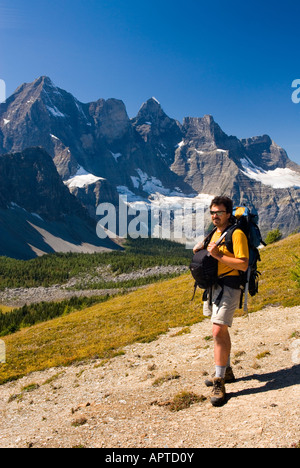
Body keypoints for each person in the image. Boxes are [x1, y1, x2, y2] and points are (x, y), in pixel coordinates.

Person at [193, 196, 249, 406]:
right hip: (214, 287)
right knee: (220, 331)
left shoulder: (237, 234)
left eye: (219, 212)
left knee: (217, 330)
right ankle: (226, 370)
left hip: (231, 286)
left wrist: (217, 255)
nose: (215, 216)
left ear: (228, 214)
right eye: (212, 212)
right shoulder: (214, 233)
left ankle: (219, 381)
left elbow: (243, 264)